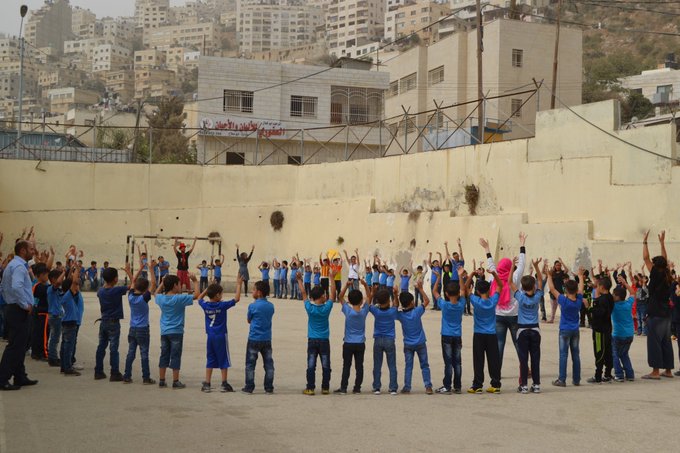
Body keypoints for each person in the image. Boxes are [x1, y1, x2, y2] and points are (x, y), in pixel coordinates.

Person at [465, 238, 503, 394]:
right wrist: (494, 273)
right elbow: (500, 285)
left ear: (478, 291)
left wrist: (472, 274)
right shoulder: (493, 300)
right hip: (491, 334)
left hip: (479, 334)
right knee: (493, 360)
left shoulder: (475, 301)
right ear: (489, 289)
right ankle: (495, 384)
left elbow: (466, 288)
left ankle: (477, 384)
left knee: (478, 359)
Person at [0, 240, 39, 390]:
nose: (33, 250)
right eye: (30, 248)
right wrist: (25, 305)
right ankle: (3, 378)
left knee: (20, 344)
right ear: (23, 250)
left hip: (14, 308)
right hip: (19, 310)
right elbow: (16, 286)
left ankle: (20, 376)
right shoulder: (18, 267)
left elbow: (4, 287)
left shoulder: (14, 265)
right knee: (16, 345)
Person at [491, 232, 527, 378]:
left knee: (499, 344)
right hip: (514, 315)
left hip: (499, 315)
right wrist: (522, 245)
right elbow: (522, 265)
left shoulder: (494, 277)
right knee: (518, 343)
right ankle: (525, 369)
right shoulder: (515, 278)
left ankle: (497, 372)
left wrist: (487, 250)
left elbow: (491, 265)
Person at [155, 273, 200, 389]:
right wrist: (195, 281)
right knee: (175, 355)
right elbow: (196, 295)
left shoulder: (161, 298)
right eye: (179, 284)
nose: (181, 286)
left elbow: (155, 294)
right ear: (175, 285)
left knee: (164, 354)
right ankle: (175, 381)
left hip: (164, 331)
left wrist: (162, 282)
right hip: (177, 331)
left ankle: (162, 380)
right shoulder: (179, 299)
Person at [199, 276, 242, 393]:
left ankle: (207, 383)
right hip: (221, 335)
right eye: (221, 294)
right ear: (217, 295)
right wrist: (239, 284)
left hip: (210, 336)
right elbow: (236, 299)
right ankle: (224, 383)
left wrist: (207, 289)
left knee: (210, 358)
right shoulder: (222, 306)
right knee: (223, 358)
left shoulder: (206, 305)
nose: (222, 296)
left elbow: (199, 298)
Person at [641, 230, 674, 379]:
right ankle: (668, 370)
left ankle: (655, 372)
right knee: (666, 341)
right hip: (666, 313)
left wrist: (645, 241)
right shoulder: (667, 274)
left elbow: (645, 257)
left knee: (654, 342)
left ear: (655, 265)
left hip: (655, 313)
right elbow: (664, 259)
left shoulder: (655, 273)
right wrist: (662, 243)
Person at [508, 257, 543, 394]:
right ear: (533, 286)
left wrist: (512, 266)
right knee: (535, 358)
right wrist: (536, 267)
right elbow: (540, 281)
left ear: (522, 287)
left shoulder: (520, 296)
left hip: (522, 329)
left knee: (523, 359)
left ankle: (523, 386)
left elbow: (510, 282)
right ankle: (536, 384)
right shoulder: (537, 296)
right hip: (535, 329)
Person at [95, 263, 134, 382]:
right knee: (113, 348)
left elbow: (105, 286)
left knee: (101, 346)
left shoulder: (100, 291)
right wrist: (128, 272)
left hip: (104, 322)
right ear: (116, 279)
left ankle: (98, 371)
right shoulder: (117, 290)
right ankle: (114, 372)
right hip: (113, 323)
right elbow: (133, 285)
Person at [123, 259, 158, 385]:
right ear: (145, 290)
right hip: (143, 329)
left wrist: (129, 272)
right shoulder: (144, 298)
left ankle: (127, 375)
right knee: (144, 353)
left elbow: (133, 283)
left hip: (132, 328)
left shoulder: (131, 296)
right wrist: (151, 269)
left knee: (131, 352)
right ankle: (146, 377)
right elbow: (153, 283)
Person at [334, 279, 372, 395]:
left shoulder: (348, 311)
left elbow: (340, 297)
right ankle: (357, 388)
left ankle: (344, 387)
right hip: (360, 343)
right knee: (359, 366)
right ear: (362, 300)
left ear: (349, 301)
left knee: (346, 365)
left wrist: (346, 285)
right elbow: (369, 298)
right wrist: (365, 286)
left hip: (348, 343)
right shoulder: (364, 311)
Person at [300, 271, 334, 395]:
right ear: (322, 296)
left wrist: (299, 280)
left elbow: (304, 294)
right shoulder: (326, 308)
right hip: (324, 340)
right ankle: (325, 388)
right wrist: (331, 279)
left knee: (311, 365)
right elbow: (333, 295)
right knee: (326, 365)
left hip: (312, 340)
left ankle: (310, 388)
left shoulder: (310, 308)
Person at [433, 267, 466, 394]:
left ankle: (447, 386)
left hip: (446, 335)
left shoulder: (444, 305)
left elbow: (435, 291)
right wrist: (460, 276)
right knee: (457, 362)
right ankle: (457, 386)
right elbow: (463, 289)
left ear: (446, 294)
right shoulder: (461, 304)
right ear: (457, 293)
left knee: (448, 363)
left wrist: (438, 278)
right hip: (457, 335)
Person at [549, 267, 584, 387]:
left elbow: (552, 289)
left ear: (566, 289)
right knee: (576, 355)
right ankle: (576, 379)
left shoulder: (563, 300)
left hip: (564, 330)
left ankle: (562, 379)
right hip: (575, 330)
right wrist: (580, 276)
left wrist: (549, 276)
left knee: (563, 355)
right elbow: (581, 289)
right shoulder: (579, 300)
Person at [397, 281, 432, 394]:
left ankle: (407, 387)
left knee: (408, 366)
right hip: (420, 342)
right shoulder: (417, 311)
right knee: (424, 365)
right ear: (412, 302)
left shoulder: (401, 315)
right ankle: (428, 386)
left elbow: (393, 309)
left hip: (408, 344)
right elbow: (427, 301)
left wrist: (395, 294)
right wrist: (421, 289)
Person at [242, 281, 275, 394]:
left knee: (250, 364)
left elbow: (248, 320)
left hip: (254, 338)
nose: (252, 291)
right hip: (266, 338)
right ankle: (269, 387)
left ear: (259, 293)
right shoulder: (271, 306)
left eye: (254, 289)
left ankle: (249, 387)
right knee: (269, 364)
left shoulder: (252, 306)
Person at [584, 268, 614, 383]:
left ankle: (598, 376)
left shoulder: (602, 300)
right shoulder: (610, 297)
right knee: (607, 351)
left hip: (599, 330)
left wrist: (589, 307)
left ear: (601, 287)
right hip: (607, 328)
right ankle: (607, 374)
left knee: (599, 351)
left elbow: (598, 314)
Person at [369, 287, 399, 395]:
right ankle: (393, 387)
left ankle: (376, 387)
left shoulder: (376, 311)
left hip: (378, 339)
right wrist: (395, 294)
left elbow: (368, 305)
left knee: (377, 365)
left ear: (378, 301)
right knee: (392, 365)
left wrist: (372, 293)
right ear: (388, 300)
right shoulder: (392, 311)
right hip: (389, 339)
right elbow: (396, 305)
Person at [59, 268, 83, 376]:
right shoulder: (68, 296)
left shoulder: (64, 295)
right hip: (70, 323)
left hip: (66, 323)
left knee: (65, 345)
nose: (77, 287)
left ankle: (64, 367)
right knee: (69, 346)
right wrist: (77, 270)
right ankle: (68, 368)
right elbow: (74, 282)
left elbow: (71, 282)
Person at [613, 276, 636, 382]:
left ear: (617, 297)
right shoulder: (628, 303)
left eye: (614, 294)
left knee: (614, 354)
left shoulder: (614, 306)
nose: (612, 296)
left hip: (618, 335)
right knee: (624, 354)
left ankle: (619, 374)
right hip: (630, 334)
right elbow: (633, 293)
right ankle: (630, 374)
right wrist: (625, 283)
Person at [30, 263, 50, 361]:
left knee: (37, 333)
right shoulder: (42, 287)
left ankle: (36, 352)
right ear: (41, 275)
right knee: (44, 334)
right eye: (46, 275)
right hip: (43, 312)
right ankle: (44, 353)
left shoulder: (36, 285)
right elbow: (52, 289)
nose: (47, 277)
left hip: (37, 311)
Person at [46, 268, 65, 367]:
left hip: (57, 316)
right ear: (53, 279)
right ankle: (52, 358)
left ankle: (53, 356)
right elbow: (58, 282)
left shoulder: (57, 289)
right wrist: (64, 272)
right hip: (55, 316)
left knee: (55, 338)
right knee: (54, 338)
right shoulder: (51, 288)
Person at [548, 259, 570, 323]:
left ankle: (565, 319)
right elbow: (547, 274)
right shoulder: (552, 273)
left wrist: (562, 262)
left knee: (562, 307)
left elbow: (567, 270)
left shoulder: (562, 273)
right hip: (553, 293)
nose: (558, 266)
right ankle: (552, 319)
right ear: (554, 266)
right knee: (553, 308)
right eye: (557, 265)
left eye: (559, 265)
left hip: (560, 293)